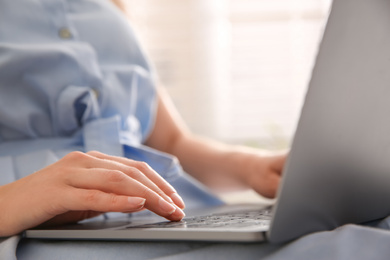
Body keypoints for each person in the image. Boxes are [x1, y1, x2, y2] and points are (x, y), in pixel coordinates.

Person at [0, 0, 286, 256]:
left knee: (322, 239)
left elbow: (171, 143)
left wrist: (253, 167)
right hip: (33, 231)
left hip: (160, 219)